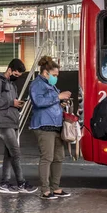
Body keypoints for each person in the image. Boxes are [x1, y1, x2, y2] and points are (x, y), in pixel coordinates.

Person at [0, 59, 37, 194]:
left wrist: (16, 104)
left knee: (9, 154)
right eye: (16, 74)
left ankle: (5, 183)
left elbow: (10, 102)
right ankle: (21, 183)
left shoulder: (11, 84)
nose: (17, 77)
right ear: (9, 70)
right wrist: (11, 102)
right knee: (15, 152)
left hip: (12, 121)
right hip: (4, 122)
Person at [29, 56, 72, 200]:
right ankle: (45, 190)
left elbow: (49, 103)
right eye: (54, 75)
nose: (56, 78)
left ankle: (56, 187)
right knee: (47, 158)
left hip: (56, 125)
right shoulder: (36, 84)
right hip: (43, 125)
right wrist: (58, 97)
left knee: (58, 158)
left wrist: (60, 104)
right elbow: (38, 102)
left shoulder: (50, 84)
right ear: (45, 73)